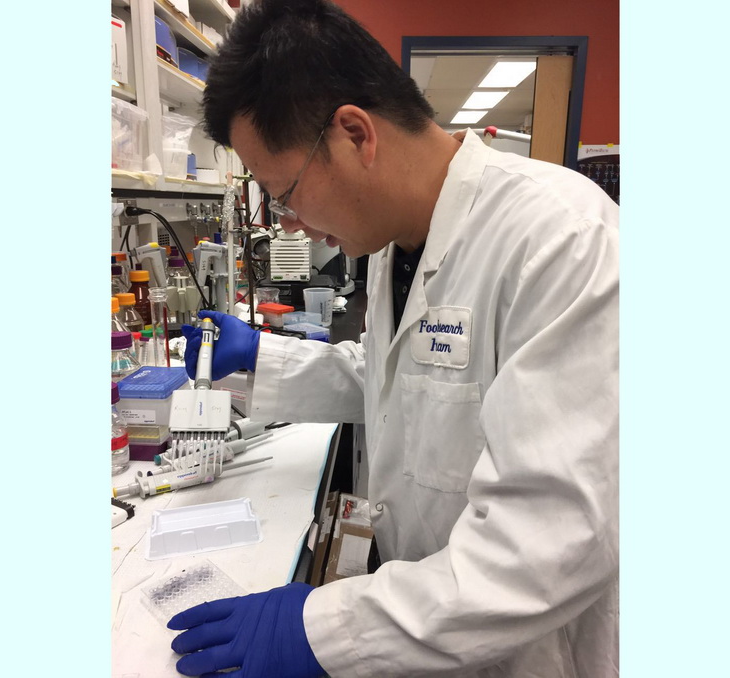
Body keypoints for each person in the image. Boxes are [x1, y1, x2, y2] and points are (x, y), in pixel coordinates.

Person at [171, 1, 619, 676]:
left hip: (534, 652)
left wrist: (327, 630)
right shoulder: (392, 243)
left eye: (284, 193)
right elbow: (391, 377)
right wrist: (264, 356)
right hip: (432, 622)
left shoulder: (564, 240)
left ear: (355, 135)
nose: (288, 223)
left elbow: (552, 542)